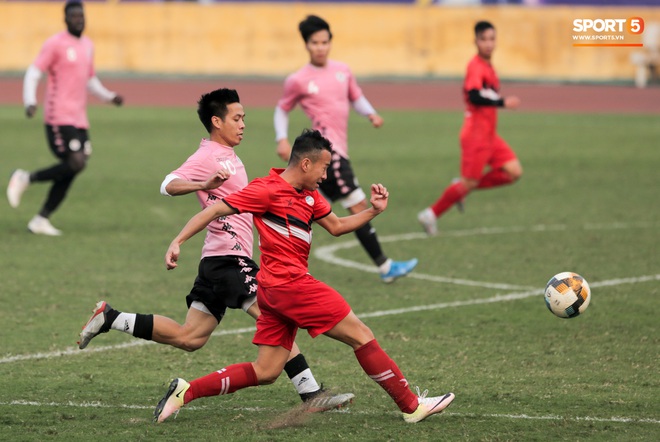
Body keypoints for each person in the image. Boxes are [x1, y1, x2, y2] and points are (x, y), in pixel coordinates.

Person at [77, 89, 352, 412]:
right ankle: (311, 394)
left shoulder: (230, 155)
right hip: (229, 260)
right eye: (236, 118)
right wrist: (202, 186)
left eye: (244, 118)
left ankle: (112, 318)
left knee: (189, 337)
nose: (242, 125)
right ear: (216, 121)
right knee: (275, 318)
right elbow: (168, 184)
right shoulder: (208, 156)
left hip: (216, 262)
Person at [154, 129, 455, 424]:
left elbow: (336, 226)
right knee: (361, 335)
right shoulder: (266, 189)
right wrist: (177, 241)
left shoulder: (310, 195)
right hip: (292, 286)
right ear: (306, 163)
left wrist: (373, 212)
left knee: (266, 371)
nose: (325, 176)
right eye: (324, 168)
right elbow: (214, 210)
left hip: (271, 293)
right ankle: (411, 405)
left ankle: (186, 391)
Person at [274, 15, 417, 283]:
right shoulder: (299, 79)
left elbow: (356, 97)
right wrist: (281, 138)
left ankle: (281, 248)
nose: (321, 47)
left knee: (309, 207)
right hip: (330, 154)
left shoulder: (342, 70)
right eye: (315, 43)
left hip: (338, 151)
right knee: (358, 205)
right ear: (306, 45)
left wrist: (371, 114)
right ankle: (385, 266)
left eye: (325, 42)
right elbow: (282, 109)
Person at [7, 1, 123, 236]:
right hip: (58, 116)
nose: (79, 19)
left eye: (82, 15)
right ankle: (25, 178)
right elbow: (34, 72)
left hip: (79, 118)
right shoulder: (55, 44)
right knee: (75, 162)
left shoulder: (88, 45)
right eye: (74, 16)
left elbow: (89, 79)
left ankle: (40, 219)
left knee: (75, 166)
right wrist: (29, 100)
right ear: (65, 19)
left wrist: (109, 97)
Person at [417, 20, 522, 236]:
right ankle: (430, 214)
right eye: (483, 39)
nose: (488, 44)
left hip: (490, 135)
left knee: (513, 172)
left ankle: (460, 187)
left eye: (492, 39)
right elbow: (474, 95)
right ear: (475, 41)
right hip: (476, 136)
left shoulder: (488, 67)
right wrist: (503, 103)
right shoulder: (475, 66)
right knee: (469, 182)